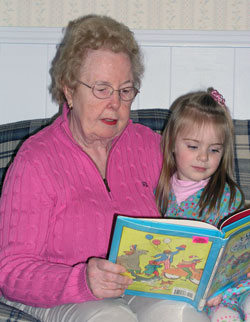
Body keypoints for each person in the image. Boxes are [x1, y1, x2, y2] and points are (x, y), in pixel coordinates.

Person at [0, 14, 209, 322]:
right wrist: (81, 280)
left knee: (180, 313)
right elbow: (11, 271)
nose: (115, 103)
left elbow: (192, 197)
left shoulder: (148, 145)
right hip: (65, 292)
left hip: (141, 284)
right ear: (70, 90)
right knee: (110, 318)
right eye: (102, 89)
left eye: (125, 91)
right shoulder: (36, 160)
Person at [155, 88, 250, 322]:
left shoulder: (227, 196)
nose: (203, 157)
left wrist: (221, 288)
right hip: (187, 293)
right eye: (193, 146)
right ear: (172, 144)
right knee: (224, 317)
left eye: (214, 149)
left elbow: (236, 250)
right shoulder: (158, 191)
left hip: (231, 286)